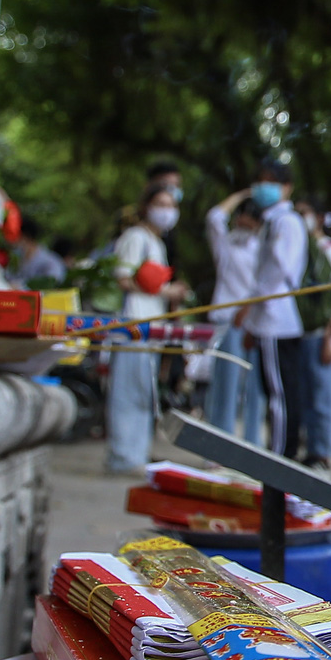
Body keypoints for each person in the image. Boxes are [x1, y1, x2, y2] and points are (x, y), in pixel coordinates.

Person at [106, 182, 190, 473]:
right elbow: (122, 278)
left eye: (171, 205)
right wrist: (164, 291)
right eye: (161, 204)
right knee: (127, 392)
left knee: (143, 392)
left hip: (152, 326)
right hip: (134, 323)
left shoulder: (157, 243)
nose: (167, 212)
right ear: (146, 207)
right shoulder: (135, 237)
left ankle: (136, 454)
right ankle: (122, 456)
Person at [240, 159, 313, 459]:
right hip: (268, 318)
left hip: (276, 318)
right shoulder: (272, 222)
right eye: (260, 180)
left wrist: (249, 307)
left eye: (272, 181)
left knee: (280, 395)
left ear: (286, 187)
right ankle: (282, 449)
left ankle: (282, 454)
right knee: (276, 391)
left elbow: (277, 270)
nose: (264, 187)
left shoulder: (286, 222)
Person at [202, 189, 265, 444]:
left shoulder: (263, 247)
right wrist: (242, 195)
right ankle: (219, 445)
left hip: (256, 322)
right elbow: (214, 217)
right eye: (241, 215)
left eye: (251, 217)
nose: (244, 221)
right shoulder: (227, 245)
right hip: (229, 322)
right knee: (224, 386)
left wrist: (249, 309)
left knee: (255, 390)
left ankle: (253, 446)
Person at [294, 197, 331, 472]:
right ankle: (309, 448)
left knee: (324, 397)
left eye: (305, 213)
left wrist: (330, 335)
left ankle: (323, 454)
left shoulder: (328, 250)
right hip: (300, 335)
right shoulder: (297, 249)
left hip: (323, 335)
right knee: (305, 396)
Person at [12, 215, 68, 286]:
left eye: (13, 235)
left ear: (26, 237)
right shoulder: (18, 253)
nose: (10, 239)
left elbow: (49, 285)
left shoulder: (52, 263)